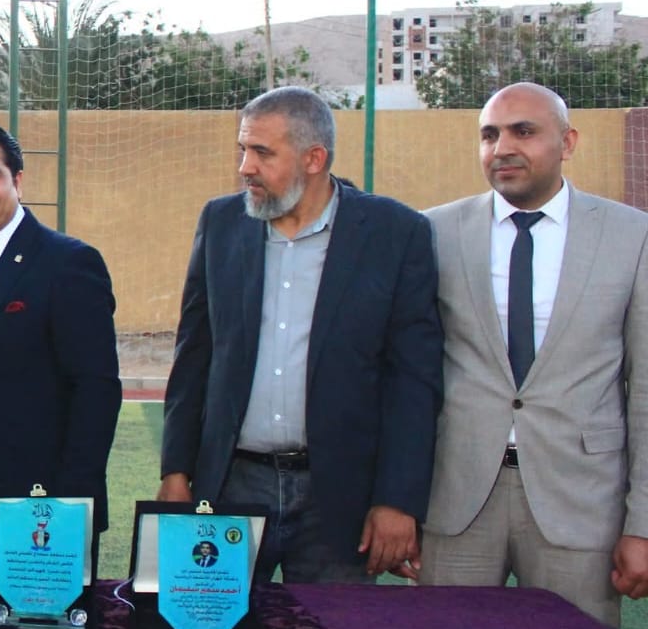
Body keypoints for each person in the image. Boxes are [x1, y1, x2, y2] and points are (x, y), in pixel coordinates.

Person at [158, 86, 443, 582]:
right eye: (243, 150)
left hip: (337, 499)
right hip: (231, 488)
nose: (245, 167)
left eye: (262, 152)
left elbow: (413, 380)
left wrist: (398, 500)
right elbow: (194, 357)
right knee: (210, 626)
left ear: (314, 159)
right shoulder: (221, 222)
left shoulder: (396, 233)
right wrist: (175, 471)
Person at [419, 82, 648, 628]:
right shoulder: (433, 232)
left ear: (567, 142)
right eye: (489, 135)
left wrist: (642, 524)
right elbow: (405, 377)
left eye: (523, 131)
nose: (502, 148)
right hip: (455, 498)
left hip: (580, 500)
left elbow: (644, 390)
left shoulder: (632, 236)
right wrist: (397, 504)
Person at [0, 122, 121, 572]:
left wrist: (68, 505)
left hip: (42, 511)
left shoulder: (70, 262)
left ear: (18, 180)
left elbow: (96, 390)